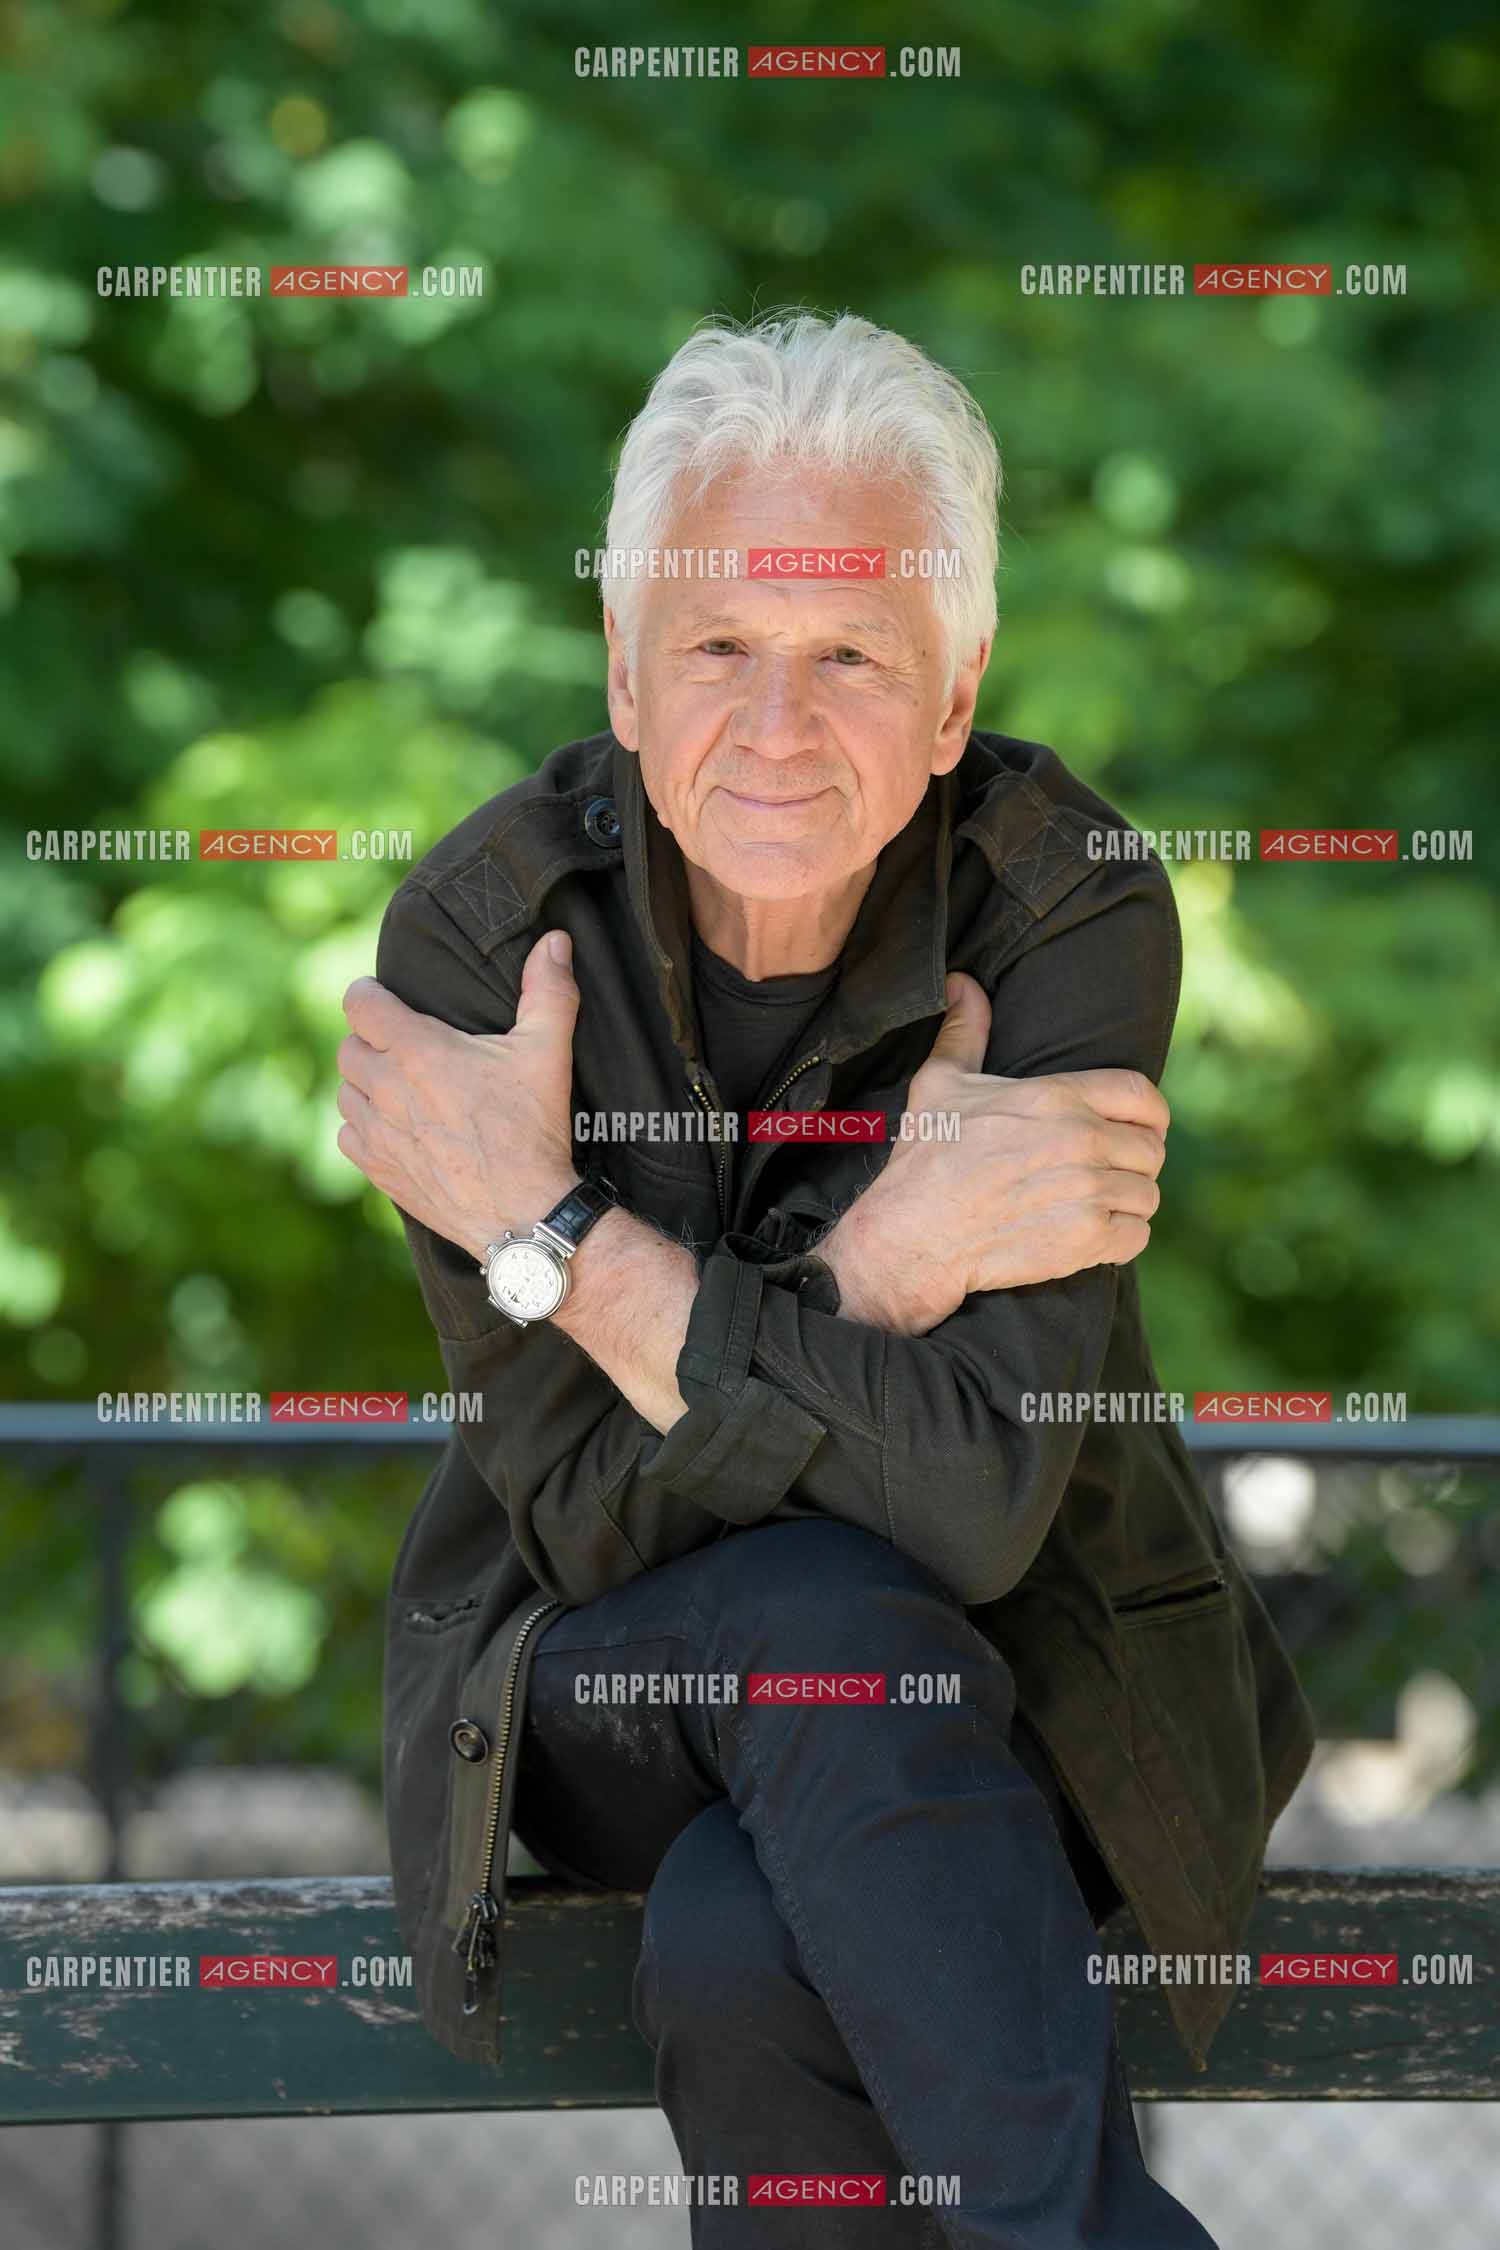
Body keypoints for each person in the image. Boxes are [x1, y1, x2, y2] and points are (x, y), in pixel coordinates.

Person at [337, 310, 1314, 2247]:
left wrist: (565, 1248)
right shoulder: (483, 946)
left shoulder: (1062, 903)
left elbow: (975, 1502)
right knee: (808, 1613)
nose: (776, 727)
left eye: (852, 654)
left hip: (1025, 1690)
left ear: (954, 701)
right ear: (625, 674)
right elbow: (599, 1531)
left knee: (735, 1935)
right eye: (717, 648)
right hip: (600, 1690)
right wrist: (876, 1270)